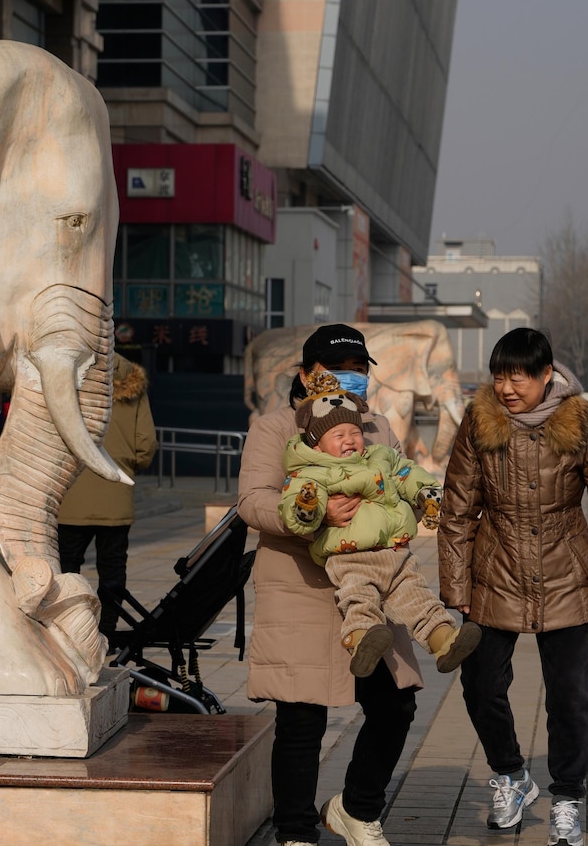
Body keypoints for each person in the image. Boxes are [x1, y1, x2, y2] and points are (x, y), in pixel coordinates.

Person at [439, 328, 588, 846]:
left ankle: (568, 798)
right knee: (480, 684)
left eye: (519, 377)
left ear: (546, 374)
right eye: (499, 377)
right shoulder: (479, 422)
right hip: (496, 572)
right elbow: (457, 509)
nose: (507, 388)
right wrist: (456, 585)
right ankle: (511, 775)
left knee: (568, 696)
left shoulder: (581, 423)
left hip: (566, 575)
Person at [238, 324, 419, 846]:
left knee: (395, 704)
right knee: (301, 718)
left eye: (359, 370)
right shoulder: (274, 428)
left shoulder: (377, 427)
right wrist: (311, 513)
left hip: (370, 587)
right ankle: (295, 832)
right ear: (305, 374)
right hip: (299, 585)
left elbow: (402, 485)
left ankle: (356, 809)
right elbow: (253, 500)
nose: (350, 378)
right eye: (337, 369)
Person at [278, 371, 482, 679]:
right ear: (317, 446)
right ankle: (360, 640)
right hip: (351, 556)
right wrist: (308, 507)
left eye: (354, 432)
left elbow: (406, 472)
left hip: (396, 554)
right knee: (359, 600)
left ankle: (444, 641)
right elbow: (295, 509)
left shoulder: (380, 457)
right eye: (338, 435)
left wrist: (426, 493)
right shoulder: (312, 472)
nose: (350, 440)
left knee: (418, 599)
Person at [56, 354, 157, 645]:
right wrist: (128, 464)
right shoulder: (132, 381)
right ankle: (107, 632)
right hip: (116, 489)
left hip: (71, 492)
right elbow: (145, 443)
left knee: (66, 567)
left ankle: (67, 630)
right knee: (112, 569)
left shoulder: (69, 373)